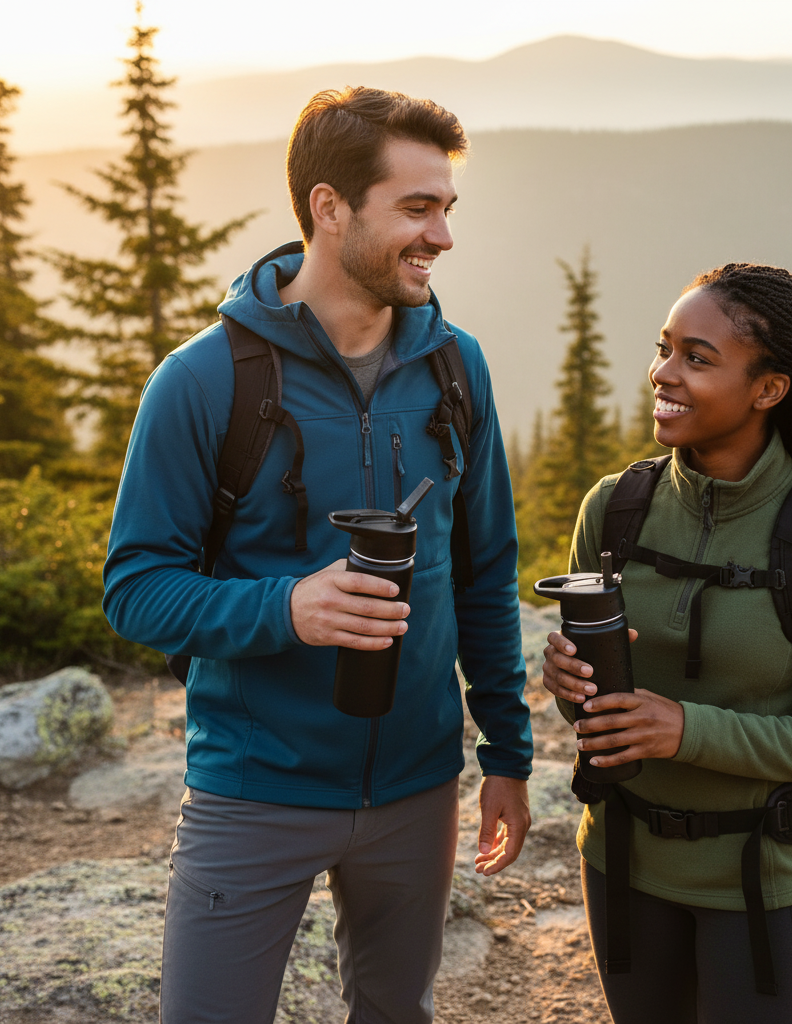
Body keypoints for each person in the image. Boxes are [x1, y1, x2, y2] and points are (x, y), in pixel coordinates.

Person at [103, 87, 532, 1024]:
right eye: (416, 209)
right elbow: (136, 589)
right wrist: (286, 608)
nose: (443, 236)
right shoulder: (204, 379)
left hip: (420, 788)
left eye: (447, 208)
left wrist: (507, 752)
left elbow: (484, 575)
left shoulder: (459, 369)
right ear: (328, 208)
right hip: (253, 786)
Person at [541, 263, 792, 1023]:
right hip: (620, 862)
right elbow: (597, 712)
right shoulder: (614, 508)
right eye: (664, 348)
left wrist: (685, 730)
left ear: (768, 389)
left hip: (757, 884)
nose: (663, 374)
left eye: (697, 359)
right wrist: (568, 683)